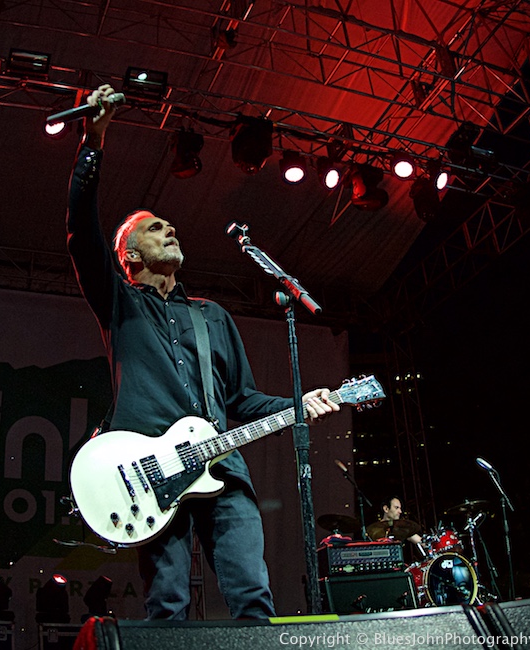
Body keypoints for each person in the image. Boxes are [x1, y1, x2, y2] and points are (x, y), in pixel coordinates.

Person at [66, 83, 340, 620]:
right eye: (152, 228)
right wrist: (93, 140)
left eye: (168, 225)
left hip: (223, 469)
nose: (169, 228)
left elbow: (239, 399)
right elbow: (79, 231)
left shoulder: (212, 315)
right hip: (147, 471)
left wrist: (299, 403)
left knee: (253, 599)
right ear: (128, 254)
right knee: (168, 603)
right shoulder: (119, 302)